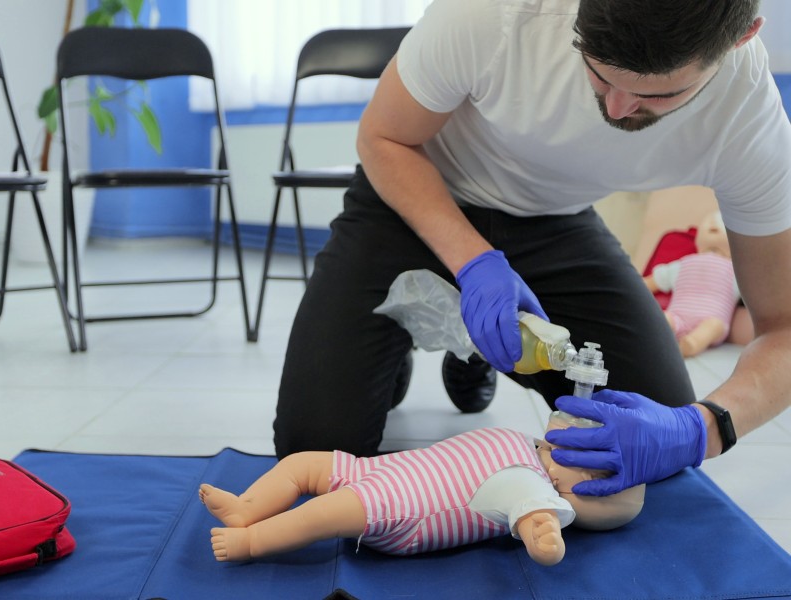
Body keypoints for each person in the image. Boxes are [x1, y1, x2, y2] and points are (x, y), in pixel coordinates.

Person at [274, 0, 791, 499]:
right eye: (598, 73)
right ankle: (417, 334)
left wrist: (703, 428)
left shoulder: (748, 118)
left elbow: (783, 328)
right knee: (314, 451)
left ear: (740, 39)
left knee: (650, 426)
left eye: (656, 95)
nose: (615, 108)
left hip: (555, 222)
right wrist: (473, 261)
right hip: (413, 198)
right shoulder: (490, 13)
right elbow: (384, 138)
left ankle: (476, 350)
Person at [200, 426, 642, 565]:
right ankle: (246, 507)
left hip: (403, 510)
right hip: (381, 470)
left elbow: (534, 516)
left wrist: (542, 531)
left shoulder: (534, 487)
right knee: (301, 464)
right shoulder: (527, 442)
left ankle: (251, 541)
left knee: (319, 515)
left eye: (592, 466)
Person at [643, 211, 740, 358]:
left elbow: (754, 294)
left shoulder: (736, 271)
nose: (713, 224)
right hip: (677, 316)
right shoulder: (684, 263)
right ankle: (648, 337)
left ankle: (692, 343)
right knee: (664, 318)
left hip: (711, 320)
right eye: (709, 222)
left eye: (721, 224)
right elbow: (653, 281)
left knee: (714, 326)